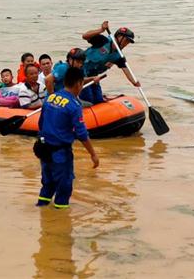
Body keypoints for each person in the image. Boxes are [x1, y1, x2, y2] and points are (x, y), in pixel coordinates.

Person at [36, 67, 99, 209]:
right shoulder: (74, 105)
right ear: (79, 84)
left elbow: (41, 123)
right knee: (64, 186)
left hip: (44, 149)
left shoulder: (50, 98)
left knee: (47, 182)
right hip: (60, 153)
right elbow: (82, 133)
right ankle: (60, 221)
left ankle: (41, 209)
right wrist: (93, 154)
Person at [81, 21, 140, 104]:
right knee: (88, 99)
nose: (126, 44)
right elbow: (85, 36)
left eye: (128, 42)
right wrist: (101, 30)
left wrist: (134, 82)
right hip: (79, 73)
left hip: (93, 76)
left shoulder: (118, 56)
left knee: (98, 100)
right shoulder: (103, 41)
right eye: (126, 41)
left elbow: (126, 70)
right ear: (119, 37)